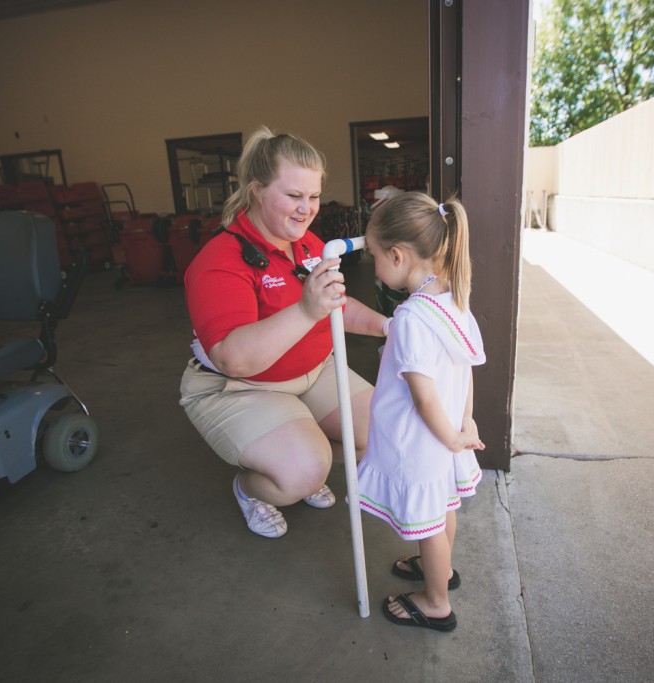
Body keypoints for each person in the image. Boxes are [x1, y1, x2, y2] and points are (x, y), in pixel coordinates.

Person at [180, 126, 388, 539]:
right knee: (304, 471)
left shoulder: (308, 243)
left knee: (383, 428)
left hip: (313, 371)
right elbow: (231, 357)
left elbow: (337, 306)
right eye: (293, 196)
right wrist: (307, 310)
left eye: (313, 196)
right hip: (240, 386)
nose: (306, 209)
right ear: (257, 191)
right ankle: (256, 486)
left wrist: (390, 327)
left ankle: (304, 458)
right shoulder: (220, 260)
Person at [355, 192, 486, 632]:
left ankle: (435, 601)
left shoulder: (411, 316)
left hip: (420, 440)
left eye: (374, 255)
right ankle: (441, 571)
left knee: (429, 522)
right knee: (442, 506)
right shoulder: (455, 301)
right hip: (445, 434)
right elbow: (464, 372)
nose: (373, 265)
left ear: (397, 255)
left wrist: (450, 436)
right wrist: (463, 424)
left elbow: (422, 394)